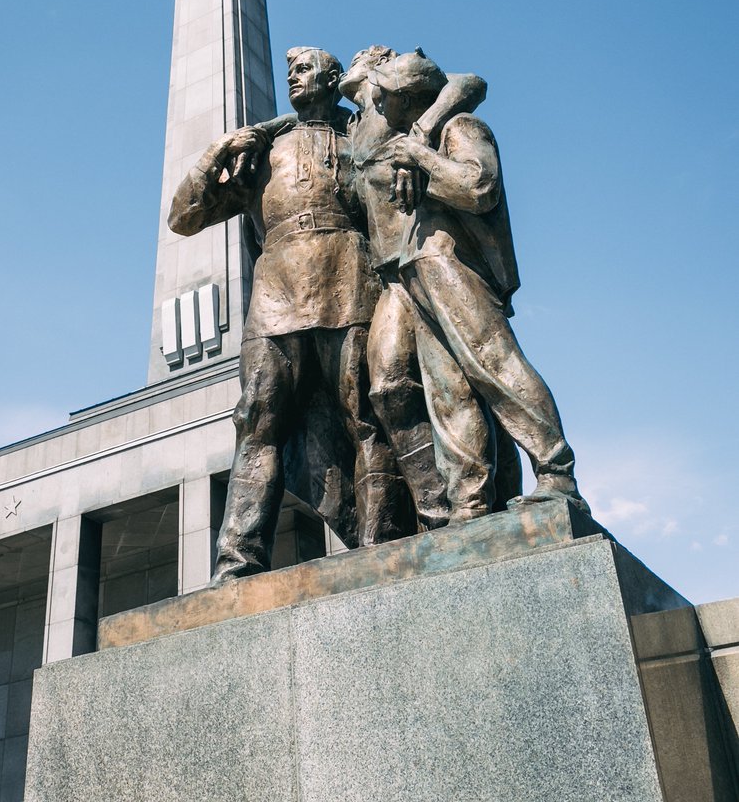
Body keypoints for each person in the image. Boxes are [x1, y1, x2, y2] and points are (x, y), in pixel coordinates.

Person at [169, 47, 409, 580]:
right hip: (276, 296)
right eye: (289, 74)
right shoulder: (263, 149)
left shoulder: (360, 138)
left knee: (365, 419)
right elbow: (183, 217)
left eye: (304, 71)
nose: (293, 80)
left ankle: (381, 544)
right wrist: (218, 153)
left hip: (350, 285)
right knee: (256, 422)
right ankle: (236, 562)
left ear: (331, 79)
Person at [369, 49, 587, 520]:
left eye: (385, 95)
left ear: (409, 98)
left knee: (495, 364)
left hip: (454, 264)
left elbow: (478, 188)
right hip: (418, 269)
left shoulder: (461, 127)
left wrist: (422, 154)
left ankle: (555, 473)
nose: (378, 104)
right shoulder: (410, 136)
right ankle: (468, 501)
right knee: (448, 391)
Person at [338, 47, 522, 528]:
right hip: (392, 270)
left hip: (429, 254)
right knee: (390, 384)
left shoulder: (402, 104)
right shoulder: (349, 128)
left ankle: (484, 494)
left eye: (361, 57)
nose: (349, 64)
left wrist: (421, 134)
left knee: (473, 369)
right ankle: (439, 507)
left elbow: (467, 82)